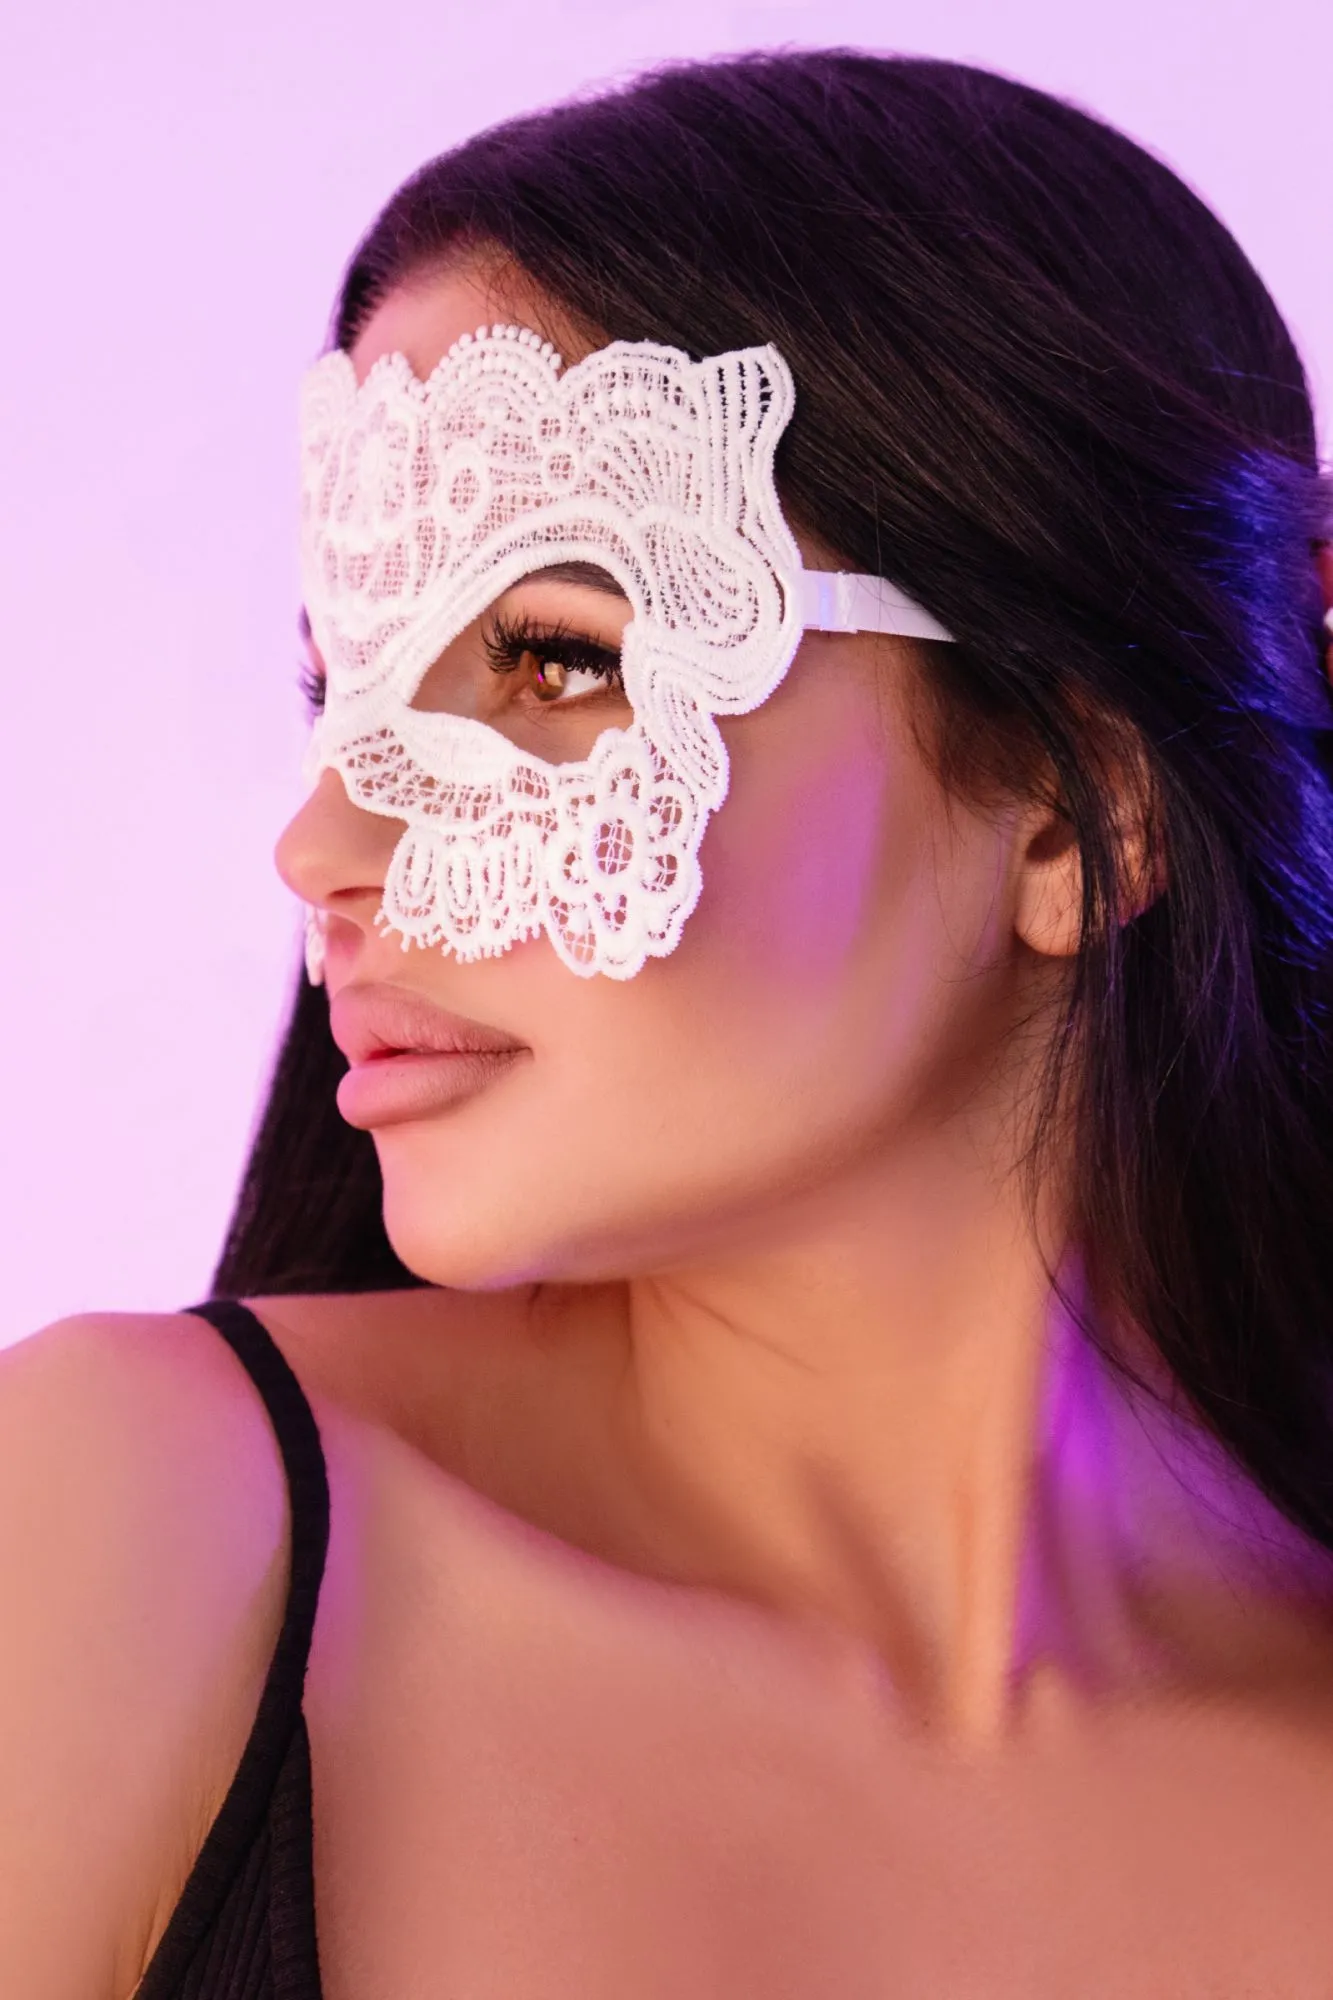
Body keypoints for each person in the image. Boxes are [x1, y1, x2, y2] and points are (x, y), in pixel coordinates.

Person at [6, 46, 1333, 2000]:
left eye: (552, 659)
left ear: (1081, 813)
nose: (325, 846)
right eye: (341, 686)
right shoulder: (130, 1531)